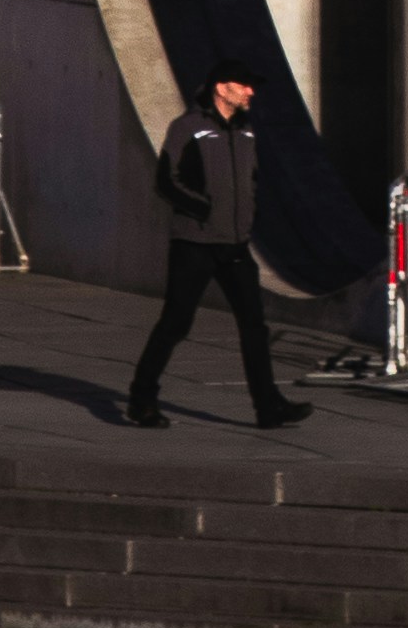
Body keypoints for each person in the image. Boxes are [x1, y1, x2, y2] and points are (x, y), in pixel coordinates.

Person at [126, 72, 308, 433]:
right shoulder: (188, 128)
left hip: (235, 245)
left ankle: (268, 407)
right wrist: (204, 209)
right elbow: (166, 180)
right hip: (194, 244)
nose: (250, 91)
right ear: (221, 89)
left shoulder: (247, 131)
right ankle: (141, 399)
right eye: (243, 85)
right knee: (176, 323)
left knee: (254, 327)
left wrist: (249, 216)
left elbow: (252, 179)